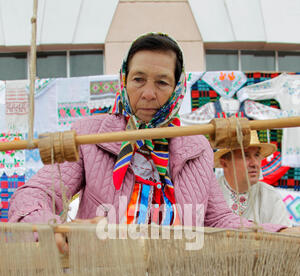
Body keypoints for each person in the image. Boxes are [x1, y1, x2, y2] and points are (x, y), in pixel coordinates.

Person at [8, 33, 299, 252]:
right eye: (138, 79)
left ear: (177, 88)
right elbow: (33, 194)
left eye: (161, 82)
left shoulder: (194, 147)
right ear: (124, 81)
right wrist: (51, 227)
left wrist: (281, 232)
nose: (148, 93)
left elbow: (221, 220)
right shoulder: (90, 138)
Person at [214, 130, 292, 226]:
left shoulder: (269, 196)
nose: (254, 163)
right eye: (245, 155)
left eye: (257, 155)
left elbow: (284, 237)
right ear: (224, 163)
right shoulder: (209, 195)